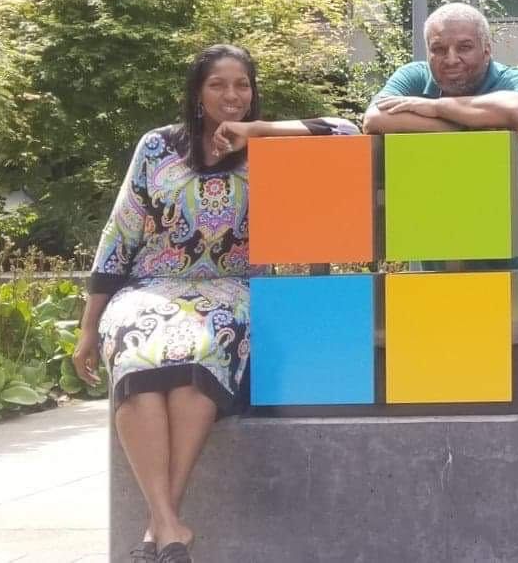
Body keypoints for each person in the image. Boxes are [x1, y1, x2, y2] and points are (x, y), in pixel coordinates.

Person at [71, 44, 356, 563]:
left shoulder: (266, 145)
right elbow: (118, 237)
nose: (232, 95)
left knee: (201, 350)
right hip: (150, 288)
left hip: (232, 288)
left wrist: (258, 131)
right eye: (218, 85)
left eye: (242, 85)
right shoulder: (157, 147)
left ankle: (159, 528)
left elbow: (347, 131)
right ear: (198, 93)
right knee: (137, 352)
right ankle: (169, 525)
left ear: (253, 91)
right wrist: (90, 327)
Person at [362, 2, 518, 320]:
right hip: (455, 293)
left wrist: (437, 108)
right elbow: (374, 119)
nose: (451, 59)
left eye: (464, 47)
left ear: (487, 49)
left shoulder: (517, 82)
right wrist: (474, 125)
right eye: (438, 49)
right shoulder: (414, 80)